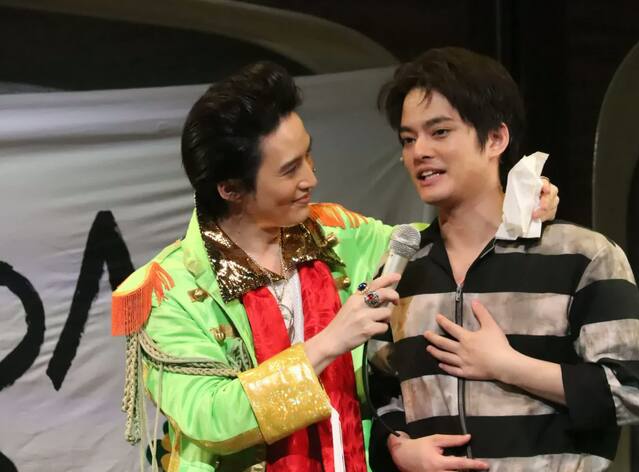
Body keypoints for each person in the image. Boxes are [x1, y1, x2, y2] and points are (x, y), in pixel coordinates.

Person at [111, 61, 559, 472]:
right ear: (230, 189)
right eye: (289, 170)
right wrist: (330, 343)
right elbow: (212, 419)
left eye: (308, 155)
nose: (311, 178)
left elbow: (453, 238)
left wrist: (515, 202)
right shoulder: (167, 289)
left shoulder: (339, 235)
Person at [367, 47, 639, 472]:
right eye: (408, 139)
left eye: (440, 132)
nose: (420, 152)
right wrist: (397, 448)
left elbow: (634, 393)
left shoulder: (582, 255)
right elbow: (382, 394)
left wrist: (509, 366)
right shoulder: (403, 270)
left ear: (495, 139)